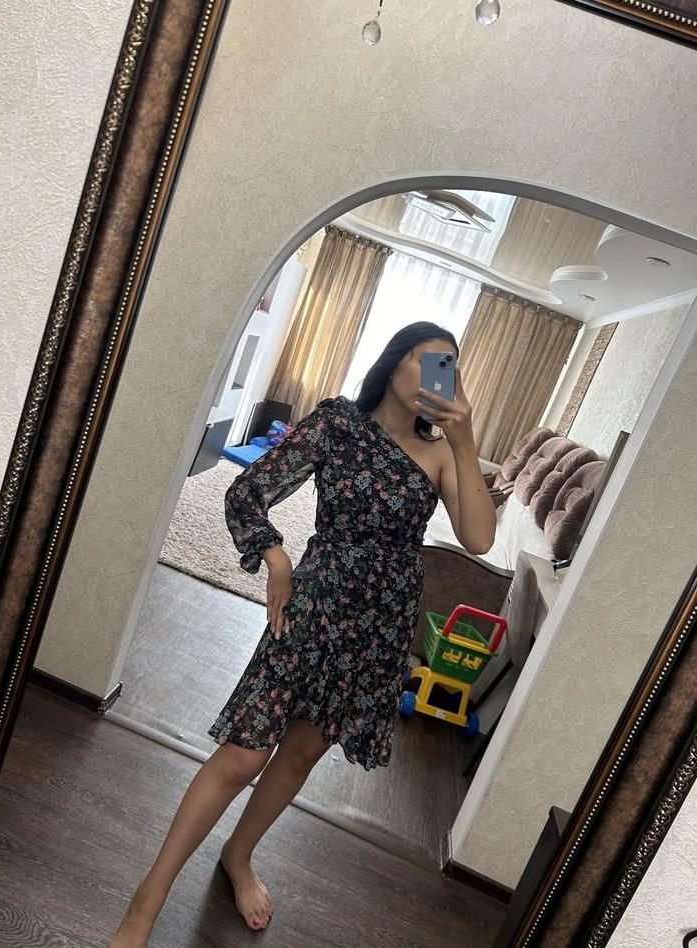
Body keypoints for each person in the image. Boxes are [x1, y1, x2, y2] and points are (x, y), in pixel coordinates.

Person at [109, 320, 496, 946]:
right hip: (315, 605)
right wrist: (276, 556)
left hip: (379, 625)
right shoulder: (338, 423)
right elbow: (247, 492)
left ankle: (238, 855)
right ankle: (144, 903)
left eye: (449, 368)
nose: (437, 378)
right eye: (428, 362)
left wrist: (466, 438)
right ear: (394, 362)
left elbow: (478, 538)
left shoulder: (443, 453)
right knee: (244, 753)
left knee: (302, 752)